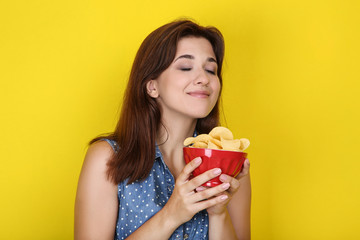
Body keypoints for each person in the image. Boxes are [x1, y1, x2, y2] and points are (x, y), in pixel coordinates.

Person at [74, 19, 251, 240]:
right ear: (152, 86)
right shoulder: (107, 158)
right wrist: (171, 215)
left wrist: (218, 213)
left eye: (211, 69)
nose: (204, 79)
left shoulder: (229, 164)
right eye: (186, 67)